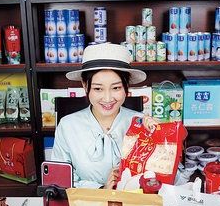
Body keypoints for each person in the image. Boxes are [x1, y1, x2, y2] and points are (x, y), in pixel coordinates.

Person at [51, 43, 156, 188]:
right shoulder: (68, 126)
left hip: (134, 200)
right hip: (86, 201)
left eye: (116, 88)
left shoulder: (141, 122)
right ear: (85, 85)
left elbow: (162, 175)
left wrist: (159, 137)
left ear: (126, 86)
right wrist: (101, 190)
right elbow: (61, 179)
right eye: (98, 89)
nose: (107, 99)